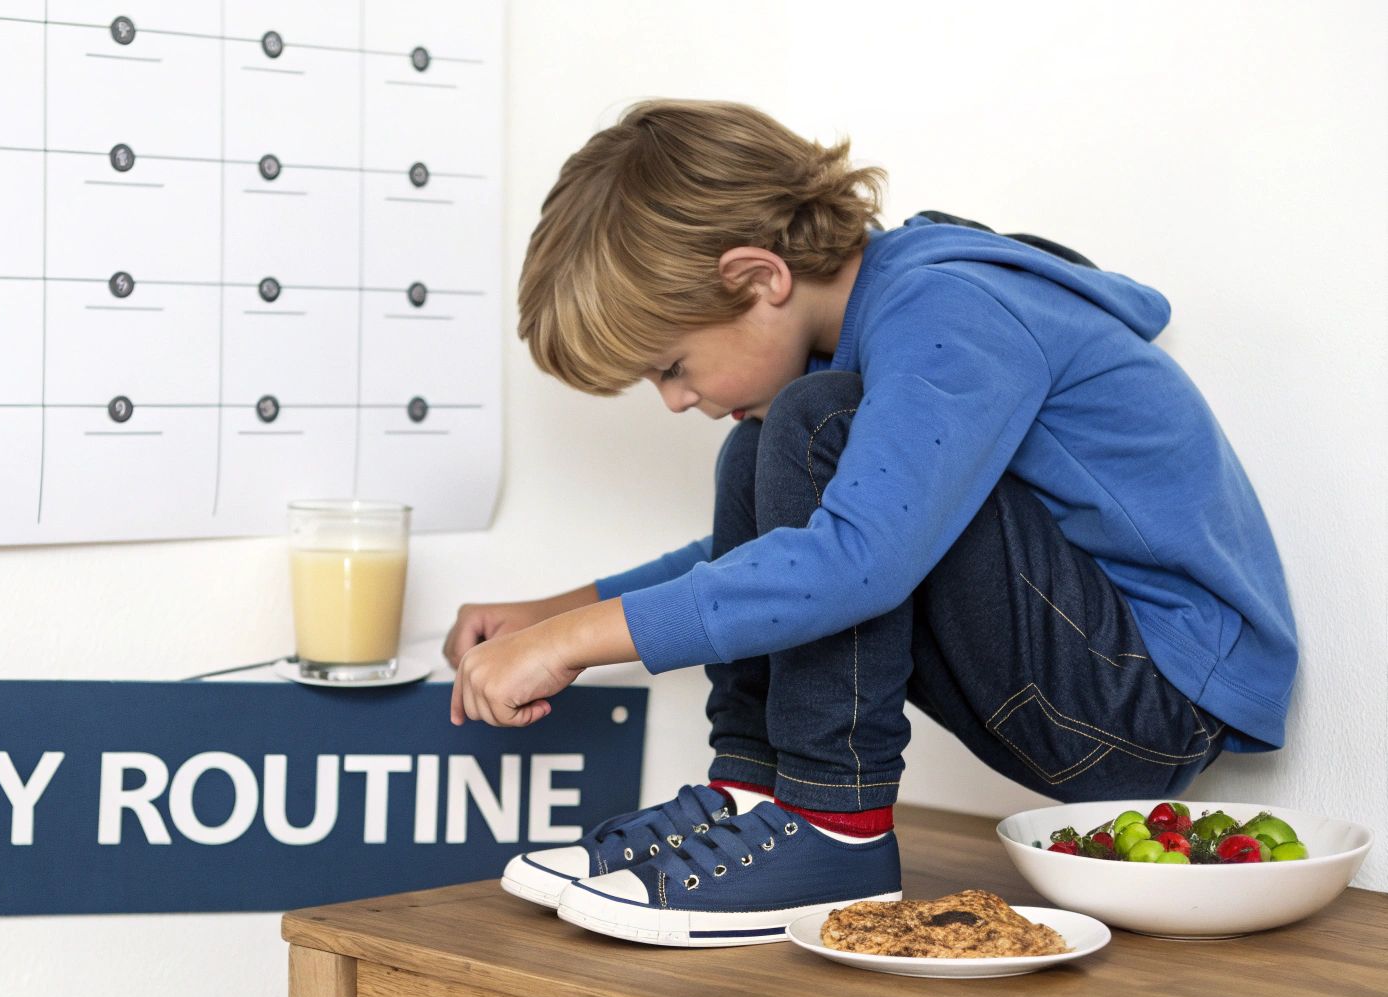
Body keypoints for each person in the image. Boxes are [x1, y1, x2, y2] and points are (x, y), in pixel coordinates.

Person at [441, 100, 1297, 948]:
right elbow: (794, 555)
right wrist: (554, 614)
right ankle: (753, 799)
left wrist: (572, 644)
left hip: (1148, 702)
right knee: (766, 445)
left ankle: (834, 830)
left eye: (671, 367)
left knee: (814, 421)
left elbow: (855, 561)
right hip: (1080, 678)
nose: (674, 400)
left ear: (759, 278)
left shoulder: (946, 308)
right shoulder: (867, 335)